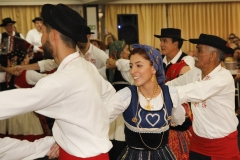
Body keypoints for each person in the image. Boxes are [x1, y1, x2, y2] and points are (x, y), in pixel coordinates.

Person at [0, 3, 115, 160]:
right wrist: (91, 127)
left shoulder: (61, 80)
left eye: (43, 32)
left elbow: (12, 103)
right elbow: (113, 99)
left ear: (52, 35)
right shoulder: (86, 67)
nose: (41, 38)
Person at [106, 44, 185, 159]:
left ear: (154, 68)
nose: (132, 71)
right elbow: (101, 117)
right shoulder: (126, 95)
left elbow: (179, 119)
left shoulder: (170, 94)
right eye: (131, 66)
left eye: (139, 65)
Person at [166, 33, 239, 160]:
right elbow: (170, 85)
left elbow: (196, 92)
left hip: (222, 147)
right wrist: (153, 89)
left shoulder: (224, 77)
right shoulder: (195, 73)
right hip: (197, 144)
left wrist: (160, 93)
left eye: (199, 50)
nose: (194, 53)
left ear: (212, 56)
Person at [154, 27, 194, 159]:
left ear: (175, 44)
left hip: (180, 121)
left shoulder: (186, 62)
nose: (161, 44)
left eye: (164, 41)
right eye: (161, 41)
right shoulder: (159, 61)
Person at [0, 48, 48, 141]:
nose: (28, 58)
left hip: (11, 114)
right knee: (29, 140)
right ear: (23, 59)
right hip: (25, 113)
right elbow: (47, 79)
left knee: (13, 140)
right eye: (27, 57)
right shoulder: (28, 73)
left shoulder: (7, 75)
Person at [105, 40, 131, 160]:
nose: (128, 51)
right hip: (111, 111)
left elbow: (128, 64)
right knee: (112, 142)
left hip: (124, 110)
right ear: (119, 52)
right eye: (126, 49)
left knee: (122, 140)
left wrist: (117, 63)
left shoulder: (127, 67)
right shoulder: (107, 70)